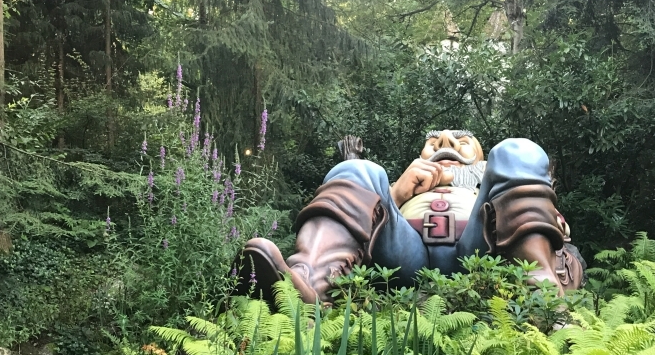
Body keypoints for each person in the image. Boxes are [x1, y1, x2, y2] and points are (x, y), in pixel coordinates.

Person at [243, 129, 585, 304]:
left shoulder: (494, 175)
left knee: (520, 149)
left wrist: (469, 178)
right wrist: (397, 193)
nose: (446, 143)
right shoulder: (409, 180)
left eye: (462, 141)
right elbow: (374, 212)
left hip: (476, 251)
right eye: (434, 142)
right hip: (407, 256)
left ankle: (540, 294)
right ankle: (309, 284)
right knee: (356, 169)